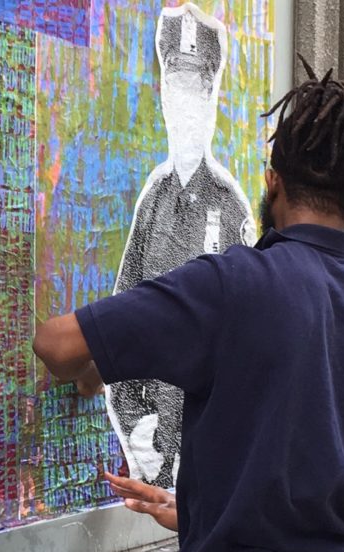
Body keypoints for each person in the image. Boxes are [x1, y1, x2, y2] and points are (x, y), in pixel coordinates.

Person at [32, 56, 344, 552]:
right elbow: (324, 468)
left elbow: (56, 344)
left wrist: (93, 369)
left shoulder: (233, 285)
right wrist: (202, 510)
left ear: (272, 181)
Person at [109, 3, 256, 489]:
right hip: (152, 451)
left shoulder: (230, 206)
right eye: (175, 86)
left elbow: (245, 343)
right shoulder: (153, 199)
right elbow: (123, 316)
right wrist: (136, 428)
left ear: (212, 95)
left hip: (203, 452)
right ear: (165, 97)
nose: (184, 101)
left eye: (195, 88)